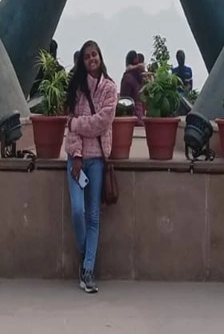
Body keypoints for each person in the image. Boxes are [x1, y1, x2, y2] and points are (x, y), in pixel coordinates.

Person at [63, 40, 117, 295]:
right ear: (82, 62)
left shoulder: (109, 88)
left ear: (100, 56)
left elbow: (102, 123)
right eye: (87, 56)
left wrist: (76, 124)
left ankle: (87, 270)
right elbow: (70, 127)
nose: (92, 59)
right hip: (78, 160)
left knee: (93, 216)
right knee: (77, 211)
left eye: (94, 54)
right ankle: (87, 257)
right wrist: (75, 155)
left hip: (97, 160)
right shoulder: (77, 89)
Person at [118, 50, 146, 121]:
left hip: (131, 119)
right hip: (143, 117)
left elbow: (124, 101)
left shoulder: (127, 77)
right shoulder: (144, 77)